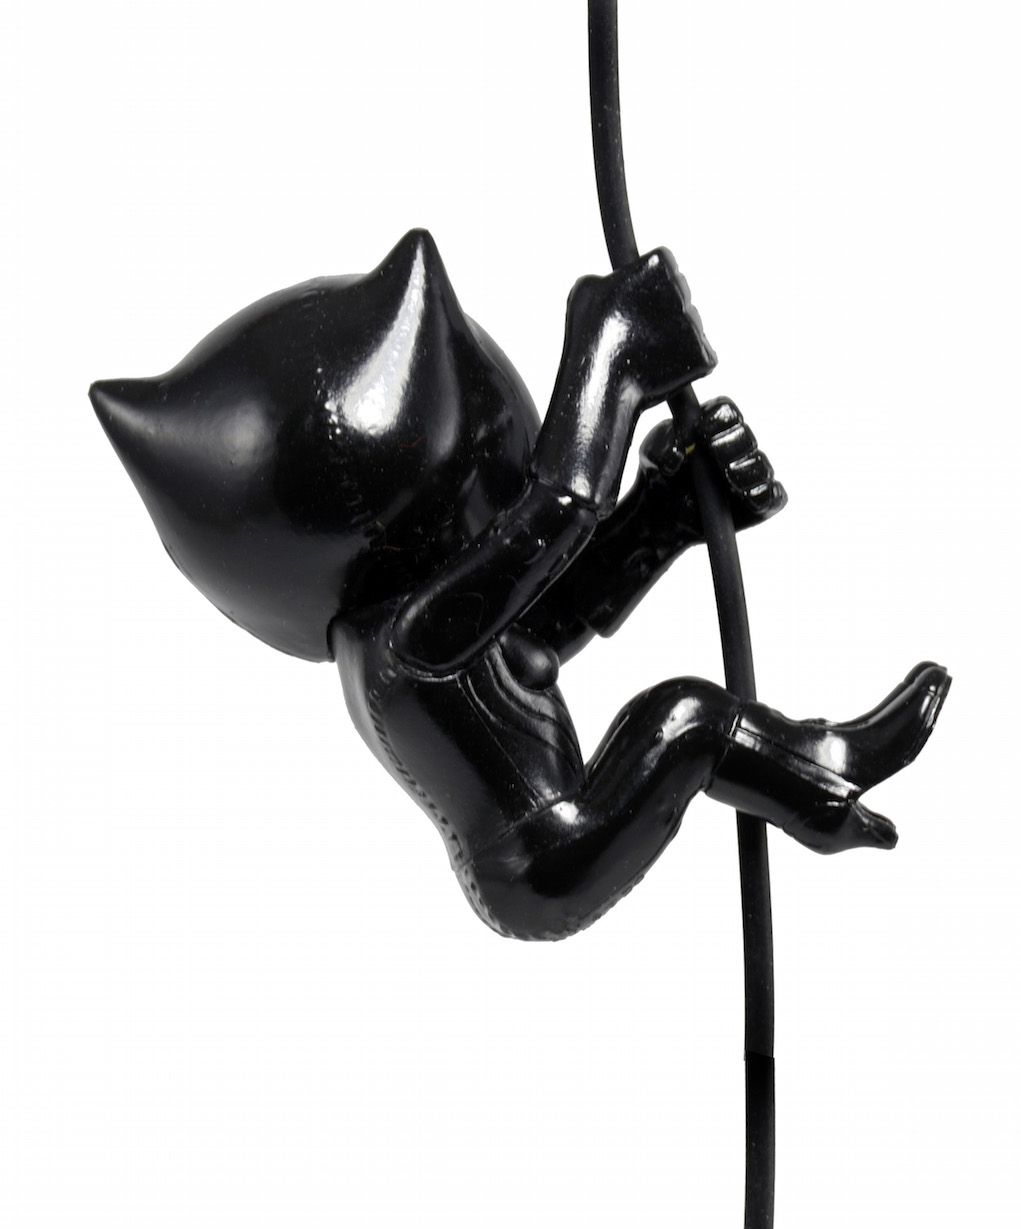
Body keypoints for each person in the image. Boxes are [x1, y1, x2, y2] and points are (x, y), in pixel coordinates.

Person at [91, 229, 950, 941]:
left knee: (684, 723)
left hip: (548, 850)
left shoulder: (421, 635)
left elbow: (548, 623)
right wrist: (608, 356)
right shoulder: (403, 644)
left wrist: (669, 510)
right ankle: (826, 779)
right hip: (546, 864)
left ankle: (819, 778)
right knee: (685, 721)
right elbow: (560, 508)